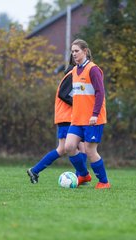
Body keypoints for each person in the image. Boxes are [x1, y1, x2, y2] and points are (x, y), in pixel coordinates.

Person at [26, 55, 87, 184]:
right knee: (64, 149)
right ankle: (35, 170)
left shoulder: (75, 74)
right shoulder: (72, 74)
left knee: (82, 148)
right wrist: (79, 104)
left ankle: (80, 177)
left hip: (71, 117)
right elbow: (63, 94)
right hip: (67, 117)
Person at [65, 39, 111, 189]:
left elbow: (100, 93)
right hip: (77, 118)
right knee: (69, 147)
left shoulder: (93, 69)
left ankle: (104, 182)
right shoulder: (74, 71)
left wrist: (95, 114)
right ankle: (83, 174)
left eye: (76, 51)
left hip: (93, 119)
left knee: (91, 150)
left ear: (85, 51)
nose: (74, 54)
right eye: (72, 52)